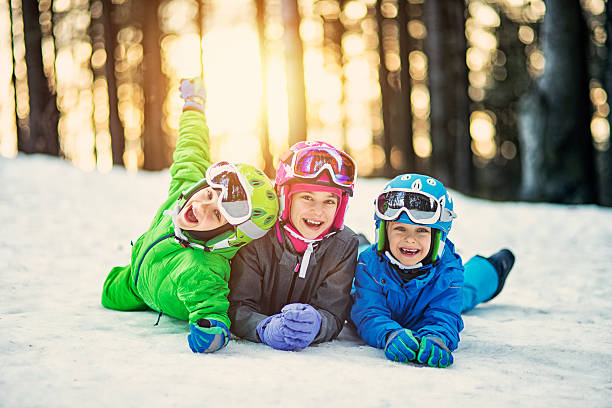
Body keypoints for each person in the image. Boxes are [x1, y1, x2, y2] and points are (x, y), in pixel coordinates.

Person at [101, 78, 279, 354]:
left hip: (149, 297)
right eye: (209, 194)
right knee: (107, 295)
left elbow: (211, 304)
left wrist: (212, 328)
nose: (201, 206)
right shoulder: (184, 192)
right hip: (133, 277)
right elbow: (191, 149)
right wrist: (194, 107)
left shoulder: (203, 267)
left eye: (217, 215)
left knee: (114, 296)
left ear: (225, 238)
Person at [350, 173, 515, 367]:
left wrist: (437, 337)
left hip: (430, 294)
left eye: (422, 231)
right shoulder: (367, 264)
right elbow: (368, 312)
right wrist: (389, 334)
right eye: (400, 229)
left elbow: (445, 316)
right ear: (384, 232)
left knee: (466, 294)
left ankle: (492, 268)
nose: (410, 239)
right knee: (357, 256)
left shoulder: (448, 271)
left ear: (438, 237)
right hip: (370, 261)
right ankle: (360, 242)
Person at [228, 141, 359, 351]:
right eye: (307, 197)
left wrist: (318, 323)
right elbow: (238, 306)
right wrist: (263, 327)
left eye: (329, 201)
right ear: (286, 199)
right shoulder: (258, 238)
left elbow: (333, 313)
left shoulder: (343, 246)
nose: (318, 211)